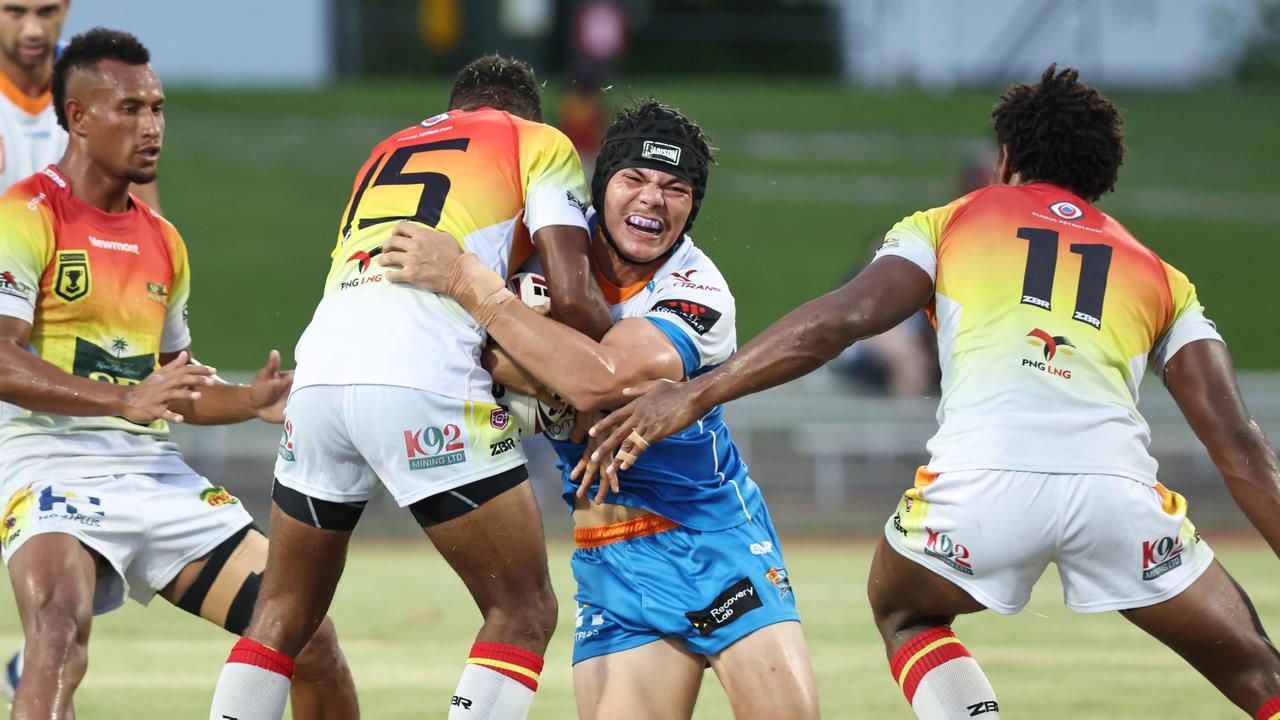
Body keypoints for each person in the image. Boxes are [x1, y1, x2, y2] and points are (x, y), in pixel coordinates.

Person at [588, 65, 1280, 720]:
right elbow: (1240, 446)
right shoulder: (1162, 276)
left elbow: (840, 321)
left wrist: (696, 395)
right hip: (1117, 496)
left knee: (903, 611)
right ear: (1101, 179)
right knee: (1260, 676)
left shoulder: (951, 223)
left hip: (982, 487)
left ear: (1006, 158)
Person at [378, 100, 821, 720]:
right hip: (607, 556)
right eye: (634, 179)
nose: (653, 200)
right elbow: (468, 360)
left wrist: (474, 292)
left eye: (676, 188)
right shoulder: (542, 253)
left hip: (711, 539)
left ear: (693, 207)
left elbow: (601, 381)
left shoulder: (699, 290)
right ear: (600, 187)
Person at [207, 55, 612, 720]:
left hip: (319, 379)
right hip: (423, 377)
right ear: (521, 113)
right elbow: (571, 295)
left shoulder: (385, 150)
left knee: (282, 611)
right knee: (522, 609)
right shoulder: (538, 141)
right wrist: (604, 349)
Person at [0, 28, 359, 717]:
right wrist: (123, 396)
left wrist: (248, 400)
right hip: (48, 465)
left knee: (307, 636)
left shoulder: (164, 241)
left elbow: (177, 390)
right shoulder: (26, 213)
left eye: (158, 108)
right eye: (129, 109)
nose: (153, 126)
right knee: (55, 634)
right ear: (77, 117)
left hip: (153, 476)